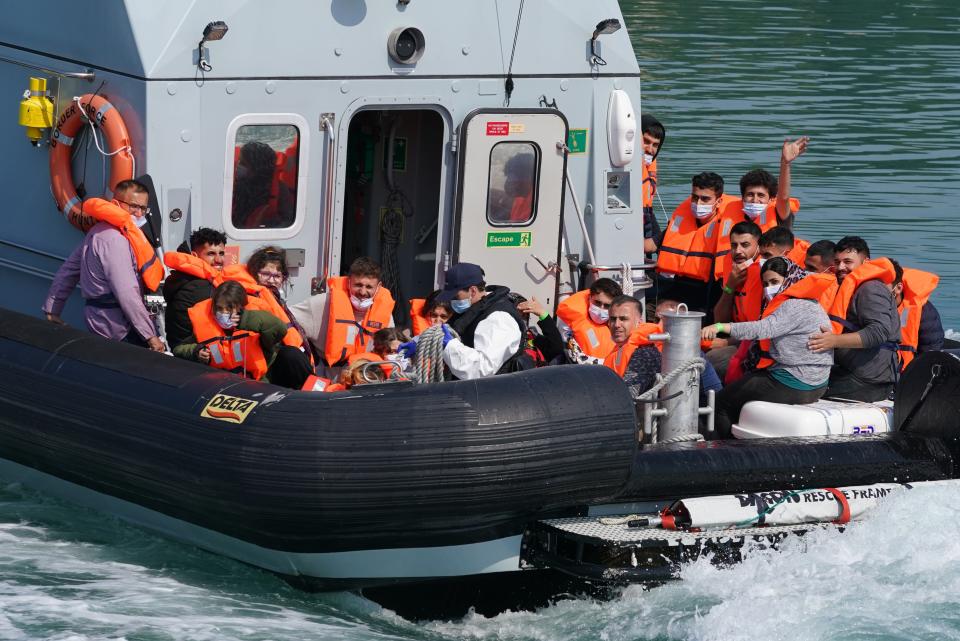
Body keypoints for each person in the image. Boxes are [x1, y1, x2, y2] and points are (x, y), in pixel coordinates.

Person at [702, 261, 835, 439]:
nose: (768, 289)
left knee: (721, 403)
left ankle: (722, 453)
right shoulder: (811, 302)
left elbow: (763, 329)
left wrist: (720, 326)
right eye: (765, 284)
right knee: (738, 391)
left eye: (774, 282)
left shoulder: (793, 305)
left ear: (789, 279)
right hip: (817, 383)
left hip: (795, 381)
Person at [43, 180, 165, 352]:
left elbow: (68, 271)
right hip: (120, 327)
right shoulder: (115, 240)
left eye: (143, 209)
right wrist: (150, 336)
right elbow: (126, 292)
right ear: (116, 204)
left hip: (98, 322)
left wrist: (52, 310)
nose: (138, 214)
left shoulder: (97, 232)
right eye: (133, 207)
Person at [808, 237, 900, 402]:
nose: (841, 267)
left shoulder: (870, 289)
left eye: (848, 262)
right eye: (837, 262)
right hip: (848, 370)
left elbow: (879, 332)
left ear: (866, 262)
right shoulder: (846, 287)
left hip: (869, 381)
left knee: (799, 387)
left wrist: (832, 341)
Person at [173, 281, 311, 389]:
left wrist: (244, 319)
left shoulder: (256, 327)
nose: (223, 313)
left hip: (264, 384)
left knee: (291, 355)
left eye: (229, 309)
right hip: (225, 387)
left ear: (241, 308)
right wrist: (196, 351)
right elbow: (179, 349)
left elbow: (279, 329)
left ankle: (315, 394)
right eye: (219, 309)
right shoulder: (206, 328)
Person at [291, 257, 395, 376]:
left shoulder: (384, 313)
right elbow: (285, 318)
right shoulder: (322, 303)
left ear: (378, 287)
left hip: (366, 378)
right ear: (349, 282)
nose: (362, 292)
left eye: (369, 287)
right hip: (327, 381)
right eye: (358, 285)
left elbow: (390, 350)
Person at [426, 262, 532, 379]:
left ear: (472, 291)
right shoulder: (471, 309)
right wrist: (420, 342)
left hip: (492, 392)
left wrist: (449, 345)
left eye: (456, 297)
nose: (452, 301)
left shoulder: (499, 319)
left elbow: (483, 368)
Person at [655, 172, 736, 317]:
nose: (698, 203)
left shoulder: (729, 228)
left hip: (711, 291)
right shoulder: (681, 222)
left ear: (718, 201)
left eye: (705, 199)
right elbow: (652, 244)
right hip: (680, 287)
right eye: (695, 197)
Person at [244, 245, 318, 364]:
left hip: (280, 353)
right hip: (267, 359)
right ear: (254, 272)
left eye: (277, 276)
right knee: (292, 356)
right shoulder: (251, 299)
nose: (271, 280)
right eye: (265, 274)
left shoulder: (276, 298)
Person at [720, 137, 809, 231]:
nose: (755, 200)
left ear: (771, 199)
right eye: (750, 194)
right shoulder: (727, 212)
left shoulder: (779, 214)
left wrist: (785, 163)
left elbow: (783, 198)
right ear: (742, 198)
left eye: (761, 195)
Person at [162, 228, 226, 349]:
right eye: (211, 254)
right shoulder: (200, 287)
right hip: (195, 353)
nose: (218, 260)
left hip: (184, 348)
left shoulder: (183, 278)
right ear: (194, 256)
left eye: (221, 253)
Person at [889, 259, 942, 370]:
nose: (875, 292)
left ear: (898, 288)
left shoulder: (925, 312)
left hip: (908, 373)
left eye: (882, 288)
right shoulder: (865, 304)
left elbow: (930, 353)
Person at [602, 296, 662, 394]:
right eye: (613, 319)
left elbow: (629, 395)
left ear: (639, 322)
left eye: (623, 319)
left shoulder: (644, 353)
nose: (616, 324)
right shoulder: (621, 346)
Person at [555, 277, 623, 364]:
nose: (601, 309)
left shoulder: (622, 323)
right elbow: (574, 355)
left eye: (607, 306)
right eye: (597, 303)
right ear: (590, 298)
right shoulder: (570, 317)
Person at [231, 141, 295, 229]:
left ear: (258, 167)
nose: (238, 166)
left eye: (243, 164)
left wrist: (270, 225)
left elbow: (290, 220)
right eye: (239, 161)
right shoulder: (231, 184)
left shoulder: (280, 189)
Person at [713, 221, 763, 325]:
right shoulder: (730, 267)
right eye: (734, 245)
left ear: (759, 247)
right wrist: (730, 286)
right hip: (738, 330)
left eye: (745, 245)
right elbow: (719, 321)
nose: (738, 251)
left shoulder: (768, 268)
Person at [514, 294, 565, 365]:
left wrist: (543, 314)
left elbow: (557, 350)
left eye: (525, 315)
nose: (522, 319)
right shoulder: (501, 341)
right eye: (518, 315)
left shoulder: (531, 338)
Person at [641, 114, 666, 256]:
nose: (650, 149)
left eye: (655, 145)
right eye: (646, 141)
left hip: (647, 219)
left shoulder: (648, 164)